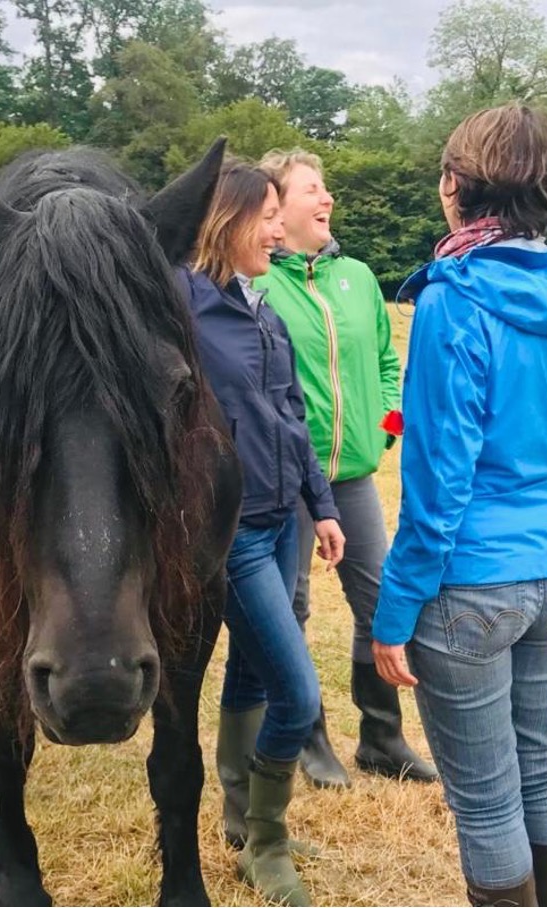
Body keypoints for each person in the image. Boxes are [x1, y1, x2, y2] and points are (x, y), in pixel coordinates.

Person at [371, 103, 547, 908]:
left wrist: (393, 609)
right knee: (539, 774)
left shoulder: (453, 299)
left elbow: (439, 484)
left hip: (470, 582)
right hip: (542, 570)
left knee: (486, 800)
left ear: (455, 186)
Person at [179, 159, 345, 907]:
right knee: (297, 696)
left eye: (282, 217)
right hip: (234, 532)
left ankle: (242, 820)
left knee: (252, 674)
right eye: (269, 217)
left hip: (283, 523)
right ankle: (267, 846)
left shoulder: (265, 311)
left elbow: (293, 420)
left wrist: (323, 508)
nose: (279, 231)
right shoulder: (182, 304)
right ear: (230, 218)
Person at [252, 149, 436, 789]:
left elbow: (387, 364)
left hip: (353, 475)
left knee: (379, 599)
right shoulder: (258, 283)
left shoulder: (357, 276)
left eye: (325, 188)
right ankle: (307, 738)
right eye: (311, 189)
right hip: (285, 480)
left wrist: (385, 429)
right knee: (290, 608)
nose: (326, 197)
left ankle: (382, 737)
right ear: (276, 209)